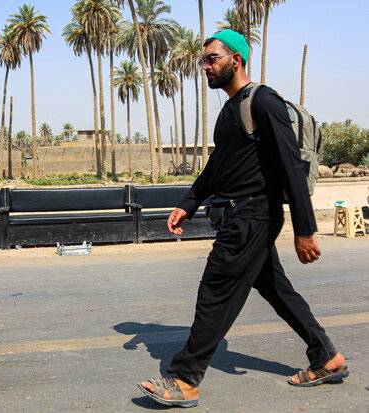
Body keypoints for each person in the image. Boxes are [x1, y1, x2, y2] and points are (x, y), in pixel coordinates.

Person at [137, 29, 349, 408]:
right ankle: (326, 356)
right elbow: (220, 164)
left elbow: (291, 168)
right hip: (243, 215)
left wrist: (305, 230)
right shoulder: (230, 109)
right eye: (203, 60)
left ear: (236, 59)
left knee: (215, 291)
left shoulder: (263, 101)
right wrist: (188, 201)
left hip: (251, 215)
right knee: (277, 291)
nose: (205, 67)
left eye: (211, 59)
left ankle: (186, 378)